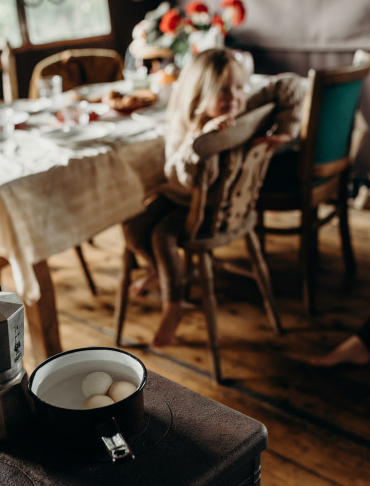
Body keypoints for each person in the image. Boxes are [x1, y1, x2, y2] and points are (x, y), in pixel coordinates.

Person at [123, 47, 304, 347]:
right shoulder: (184, 123)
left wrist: (286, 131)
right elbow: (177, 175)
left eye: (238, 87)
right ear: (197, 96)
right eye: (222, 90)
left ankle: (173, 305)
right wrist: (199, 141)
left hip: (216, 206)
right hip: (181, 193)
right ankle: (160, 269)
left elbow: (291, 84)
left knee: (162, 237)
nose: (234, 97)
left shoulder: (240, 107)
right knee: (133, 227)